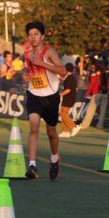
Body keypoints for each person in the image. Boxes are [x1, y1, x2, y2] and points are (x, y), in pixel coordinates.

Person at [22, 21, 66, 180]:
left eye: (36, 34)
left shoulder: (49, 52)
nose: (33, 37)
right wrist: (26, 74)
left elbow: (63, 70)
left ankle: (54, 158)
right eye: (30, 35)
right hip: (34, 94)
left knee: (51, 131)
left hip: (50, 96)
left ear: (42, 36)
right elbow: (29, 70)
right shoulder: (27, 54)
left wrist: (43, 63)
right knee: (33, 124)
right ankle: (32, 165)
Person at [58, 62, 79, 137]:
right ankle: (65, 131)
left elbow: (68, 90)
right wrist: (60, 78)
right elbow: (75, 88)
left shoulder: (70, 77)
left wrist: (60, 94)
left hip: (69, 98)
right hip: (69, 97)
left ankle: (75, 126)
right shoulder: (71, 76)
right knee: (62, 113)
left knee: (63, 114)